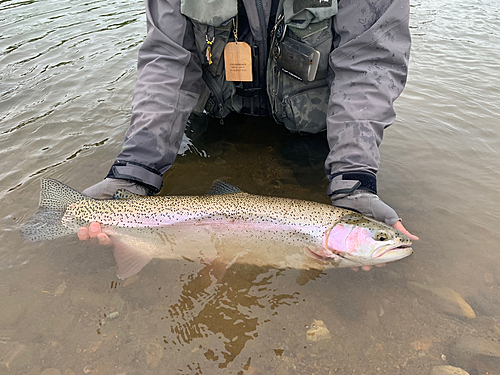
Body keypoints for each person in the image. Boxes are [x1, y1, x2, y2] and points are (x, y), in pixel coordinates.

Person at [78, 0, 419, 271]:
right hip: (216, 119)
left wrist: (354, 178)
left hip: (316, 130)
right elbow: (168, 60)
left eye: (376, 236)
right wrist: (135, 169)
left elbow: (369, 63)